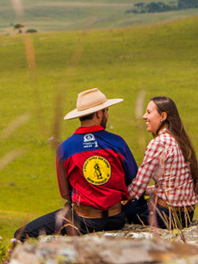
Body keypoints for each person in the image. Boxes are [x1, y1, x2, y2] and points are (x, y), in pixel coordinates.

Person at [14, 88, 138, 241]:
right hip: (116, 219)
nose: (107, 115)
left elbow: (65, 193)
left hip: (85, 222)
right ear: (99, 114)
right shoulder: (117, 142)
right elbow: (133, 178)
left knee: (21, 234)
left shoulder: (66, 148)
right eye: (107, 111)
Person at [125, 96, 198, 229]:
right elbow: (171, 185)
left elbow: (138, 186)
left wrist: (122, 196)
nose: (144, 116)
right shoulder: (180, 139)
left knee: (125, 211)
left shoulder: (159, 142)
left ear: (163, 116)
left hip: (165, 214)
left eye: (149, 112)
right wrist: (146, 191)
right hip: (187, 214)